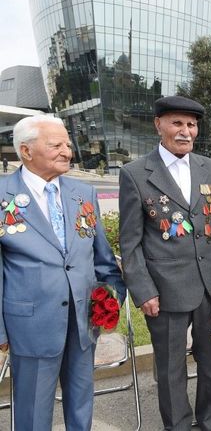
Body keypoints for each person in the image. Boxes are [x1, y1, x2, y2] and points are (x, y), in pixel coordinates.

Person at [119, 95, 211, 431]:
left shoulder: (209, 168)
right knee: (171, 369)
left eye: (191, 124)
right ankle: (177, 426)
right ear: (158, 125)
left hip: (210, 284)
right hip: (165, 290)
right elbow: (130, 242)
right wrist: (144, 290)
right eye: (177, 123)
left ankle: (210, 420)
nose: (185, 131)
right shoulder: (135, 174)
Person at [0, 115, 125, 430]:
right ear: (26, 151)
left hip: (83, 320)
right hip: (30, 324)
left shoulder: (83, 192)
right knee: (32, 412)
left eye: (68, 145)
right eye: (56, 145)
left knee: (81, 403)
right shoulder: (3, 194)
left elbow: (102, 257)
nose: (67, 152)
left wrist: (112, 298)